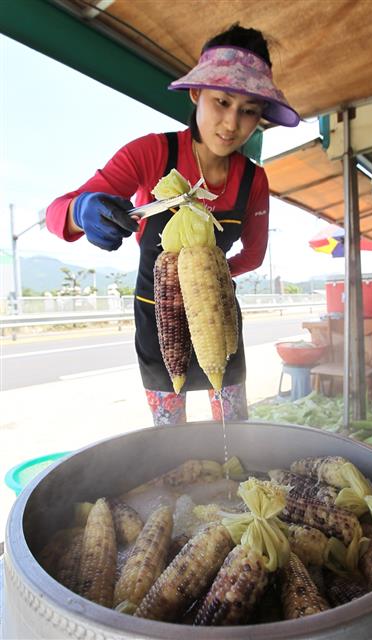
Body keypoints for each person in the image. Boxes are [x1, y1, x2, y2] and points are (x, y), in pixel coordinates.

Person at [46, 24, 300, 425]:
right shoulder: (150, 153)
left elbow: (253, 254)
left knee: (233, 427)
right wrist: (83, 211)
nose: (232, 124)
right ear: (196, 93)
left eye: (249, 111)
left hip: (220, 316)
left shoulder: (254, 179)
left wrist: (207, 275)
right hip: (157, 316)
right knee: (169, 431)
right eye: (222, 101)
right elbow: (56, 212)